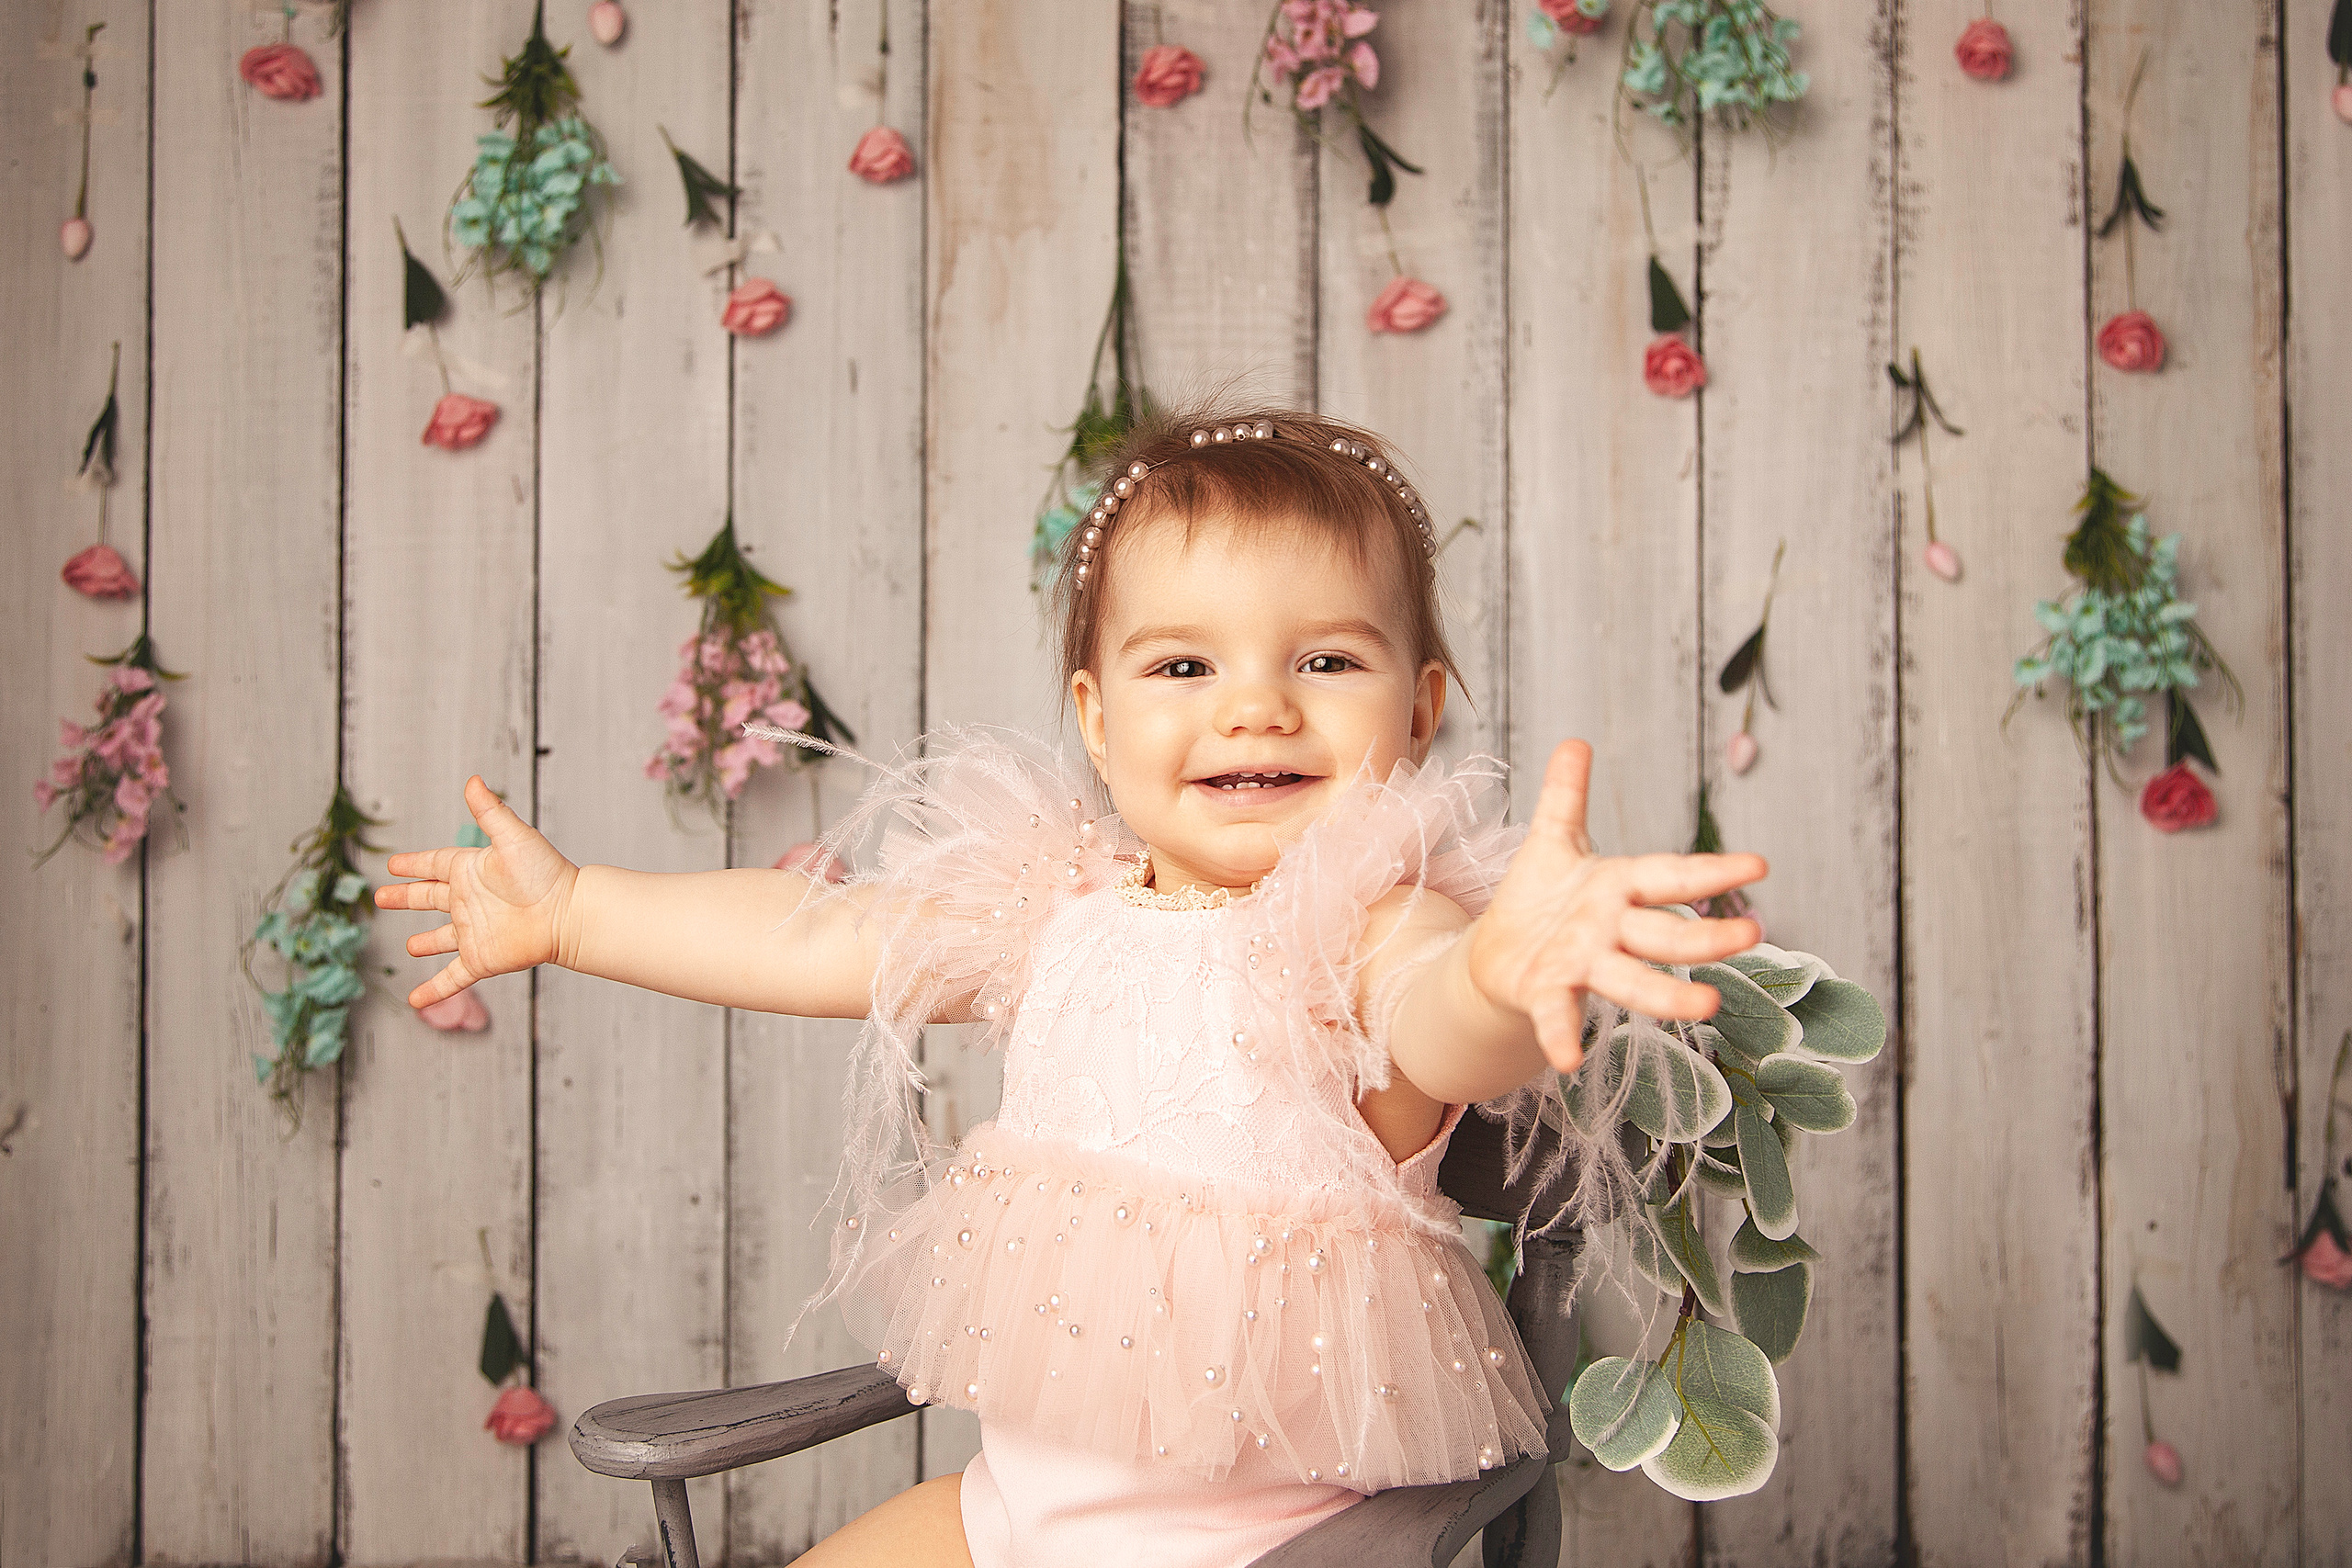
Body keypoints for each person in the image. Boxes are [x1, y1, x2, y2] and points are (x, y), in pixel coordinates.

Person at [374, 404, 1767, 1567]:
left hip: (1254, 1546)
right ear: (1098, 719)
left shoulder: (1370, 928)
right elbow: (813, 938)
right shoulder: (1056, 905)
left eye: (1326, 659)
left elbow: (1437, 1024)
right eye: (1183, 664)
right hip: (1009, 1522)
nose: (1255, 705)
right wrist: (576, 913)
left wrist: (1500, 974)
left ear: (1418, 707)